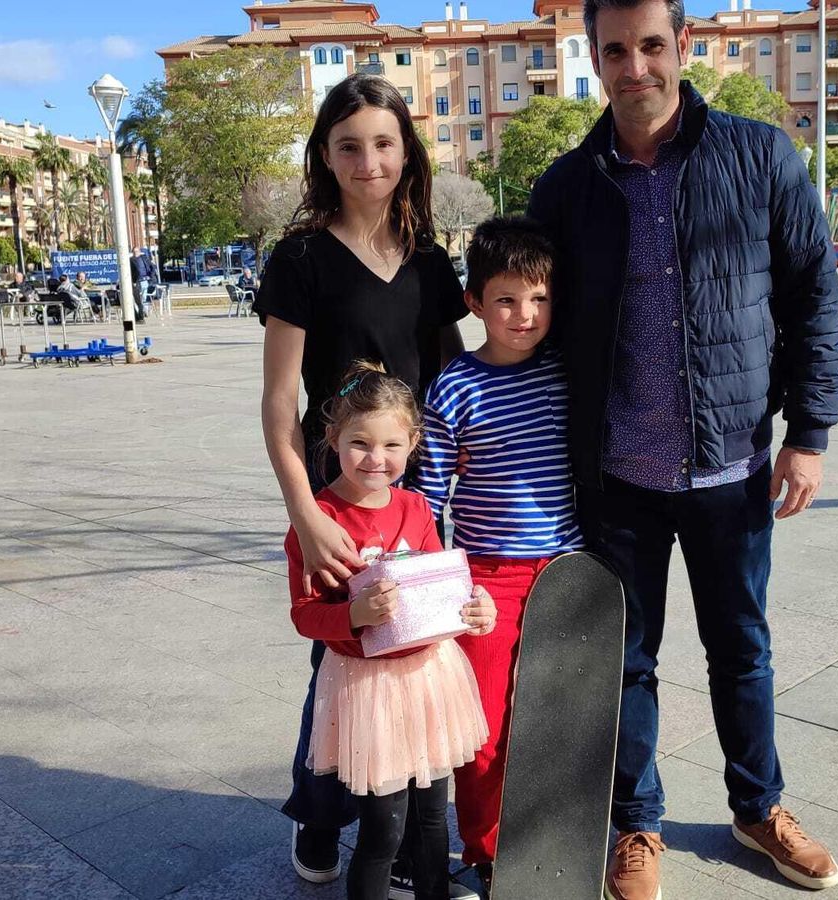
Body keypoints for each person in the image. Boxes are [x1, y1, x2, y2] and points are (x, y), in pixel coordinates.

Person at [526, 0, 838, 896]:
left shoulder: (759, 155)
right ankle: (637, 822)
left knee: (741, 648)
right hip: (618, 476)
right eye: (616, 49)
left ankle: (758, 807)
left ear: (684, 47)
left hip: (731, 467)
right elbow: (534, 323)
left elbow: (813, 299)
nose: (636, 67)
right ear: (593, 56)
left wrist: (807, 436)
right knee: (627, 658)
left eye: (652, 45)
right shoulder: (565, 186)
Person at [255, 73, 472, 898]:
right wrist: (305, 514)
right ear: (325, 155)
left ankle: (420, 839)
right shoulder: (302, 257)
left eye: (384, 142)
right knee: (340, 656)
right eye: (349, 145)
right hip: (339, 494)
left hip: (413, 496)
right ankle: (320, 815)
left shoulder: (426, 259)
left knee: (414, 656)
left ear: (406, 150)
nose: (368, 160)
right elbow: (279, 405)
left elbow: (454, 377)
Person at [285, 360, 497, 900]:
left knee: (430, 822)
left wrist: (475, 605)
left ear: (414, 442)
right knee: (384, 829)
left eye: (392, 446)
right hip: (367, 688)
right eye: (360, 443)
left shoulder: (416, 506)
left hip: (430, 677)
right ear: (332, 437)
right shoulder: (317, 517)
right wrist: (354, 617)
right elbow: (305, 613)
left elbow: (441, 585)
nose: (376, 460)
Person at [415, 216, 583, 892]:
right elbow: (428, 499)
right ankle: (485, 853)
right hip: (484, 582)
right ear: (474, 302)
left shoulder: (567, 371)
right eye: (508, 299)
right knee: (480, 731)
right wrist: (424, 587)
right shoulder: (455, 386)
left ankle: (554, 846)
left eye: (539, 299)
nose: (525, 315)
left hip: (568, 575)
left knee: (557, 725)